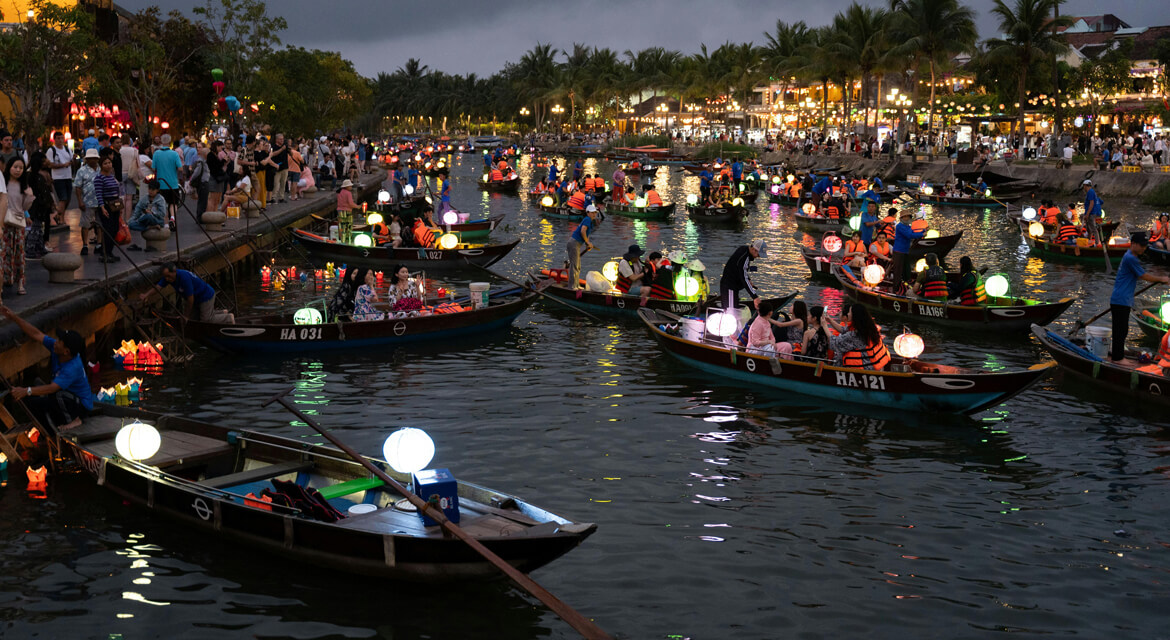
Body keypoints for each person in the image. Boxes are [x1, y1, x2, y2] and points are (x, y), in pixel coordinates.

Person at [0, 306, 94, 429]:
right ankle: (48, 431)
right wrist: (14, 317)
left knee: (56, 394)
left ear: (66, 351)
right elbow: (36, 333)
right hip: (65, 397)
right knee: (32, 402)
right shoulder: (56, 348)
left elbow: (52, 388)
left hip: (80, 406)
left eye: (60, 341)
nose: (56, 342)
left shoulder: (72, 367)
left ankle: (74, 421)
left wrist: (26, 391)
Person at [1109, 233, 1170, 362]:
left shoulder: (1130, 256)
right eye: (1141, 245)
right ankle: (1118, 358)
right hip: (1121, 300)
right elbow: (1144, 276)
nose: (1143, 248)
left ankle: (1118, 355)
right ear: (1133, 244)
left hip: (1122, 299)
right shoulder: (1130, 258)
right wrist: (1162, 279)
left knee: (1121, 330)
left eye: (1145, 246)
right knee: (1120, 330)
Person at [140, 263, 218, 321]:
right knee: (194, 319)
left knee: (206, 320)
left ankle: (227, 318)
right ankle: (220, 312)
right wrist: (146, 295)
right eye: (165, 277)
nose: (167, 279)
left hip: (205, 296)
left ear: (174, 272)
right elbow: (158, 287)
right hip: (196, 299)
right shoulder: (168, 278)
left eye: (169, 276)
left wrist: (186, 316)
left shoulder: (184, 278)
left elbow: (190, 299)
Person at [824, 303, 890, 370]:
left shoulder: (855, 335)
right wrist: (830, 320)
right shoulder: (869, 328)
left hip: (865, 370)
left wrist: (824, 325)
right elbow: (844, 329)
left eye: (849, 312)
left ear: (855, 316)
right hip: (875, 366)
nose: (848, 314)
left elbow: (834, 343)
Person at [5, 156, 32, 295]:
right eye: (15, 167)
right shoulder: (4, 184)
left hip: (18, 221)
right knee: (5, 252)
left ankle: (20, 282)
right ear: (9, 167)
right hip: (4, 222)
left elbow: (25, 206)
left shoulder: (24, 186)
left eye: (21, 168)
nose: (17, 170)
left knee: (20, 253)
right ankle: (6, 279)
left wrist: (29, 196)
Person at [93, 150, 123, 263]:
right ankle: (104, 253)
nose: (108, 165)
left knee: (115, 229)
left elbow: (117, 191)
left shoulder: (112, 177)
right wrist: (102, 207)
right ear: (101, 166)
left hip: (115, 205)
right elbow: (99, 194)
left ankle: (110, 251)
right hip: (106, 205)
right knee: (108, 229)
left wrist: (120, 207)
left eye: (109, 163)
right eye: (105, 163)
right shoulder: (99, 178)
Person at [719, 239, 766, 310]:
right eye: (759, 254)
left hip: (730, 286)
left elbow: (740, 270)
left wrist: (749, 280)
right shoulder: (745, 257)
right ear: (754, 250)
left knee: (732, 308)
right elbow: (744, 278)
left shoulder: (743, 249)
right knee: (730, 311)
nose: (758, 257)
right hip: (729, 286)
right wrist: (755, 297)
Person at [73, 148, 101, 256]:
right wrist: (80, 201)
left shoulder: (100, 169)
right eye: (90, 158)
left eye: (94, 158)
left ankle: (99, 243)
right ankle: (84, 245)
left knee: (100, 224)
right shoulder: (82, 170)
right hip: (87, 201)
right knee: (85, 224)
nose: (93, 160)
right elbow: (78, 187)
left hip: (100, 201)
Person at [565, 205, 598, 288]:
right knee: (575, 266)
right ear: (588, 213)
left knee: (578, 266)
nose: (594, 214)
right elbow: (583, 230)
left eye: (595, 212)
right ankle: (572, 286)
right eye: (592, 212)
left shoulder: (589, 221)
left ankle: (576, 284)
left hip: (576, 244)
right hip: (574, 243)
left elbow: (587, 233)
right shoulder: (587, 219)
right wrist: (587, 241)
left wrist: (588, 243)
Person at [151, 135, 182, 222]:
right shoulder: (174, 153)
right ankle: (172, 218)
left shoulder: (156, 154)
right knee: (173, 203)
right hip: (173, 183)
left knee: (163, 204)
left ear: (161, 141)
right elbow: (180, 168)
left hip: (161, 183)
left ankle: (165, 223)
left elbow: (153, 168)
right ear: (170, 142)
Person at [891, 209, 925, 285]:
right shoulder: (900, 226)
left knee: (906, 269)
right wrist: (922, 234)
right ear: (901, 218)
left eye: (907, 217)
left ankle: (906, 285)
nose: (906, 218)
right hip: (899, 251)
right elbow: (909, 235)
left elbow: (913, 233)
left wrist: (922, 231)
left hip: (905, 251)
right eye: (904, 217)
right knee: (898, 272)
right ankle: (896, 288)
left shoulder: (908, 227)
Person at [47, 131, 73, 227]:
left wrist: (72, 160)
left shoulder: (67, 149)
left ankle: (59, 215)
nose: (60, 140)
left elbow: (71, 160)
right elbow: (49, 164)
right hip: (58, 177)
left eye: (62, 138)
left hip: (68, 176)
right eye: (58, 138)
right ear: (54, 139)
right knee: (63, 198)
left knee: (68, 198)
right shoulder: (51, 150)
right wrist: (62, 165)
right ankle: (61, 219)